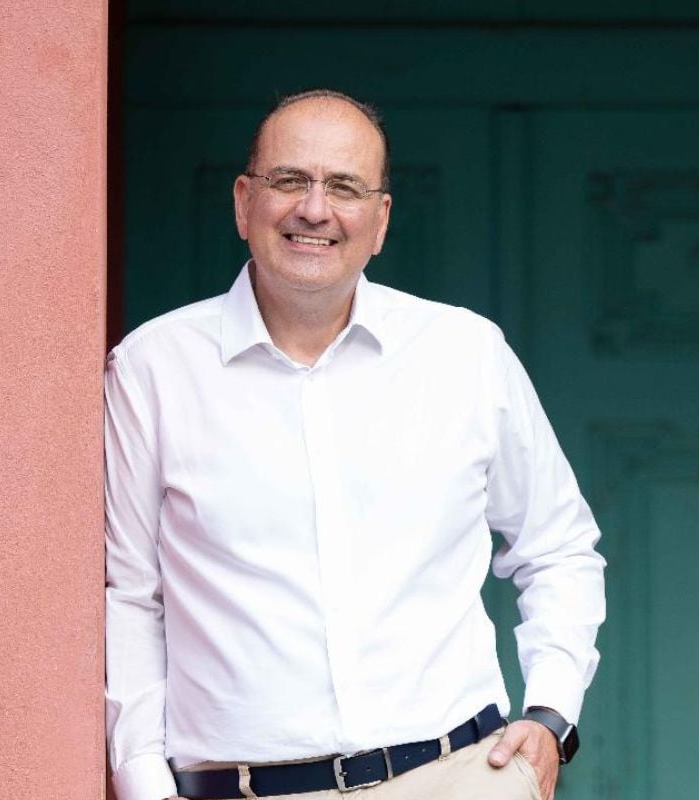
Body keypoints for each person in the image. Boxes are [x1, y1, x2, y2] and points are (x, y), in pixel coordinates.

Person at [104, 89, 605, 800]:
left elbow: (558, 547)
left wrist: (552, 713)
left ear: (381, 220)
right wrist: (143, 783)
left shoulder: (465, 354)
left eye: (344, 187)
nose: (315, 209)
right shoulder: (152, 369)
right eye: (289, 180)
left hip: (459, 777)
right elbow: (129, 595)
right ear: (243, 202)